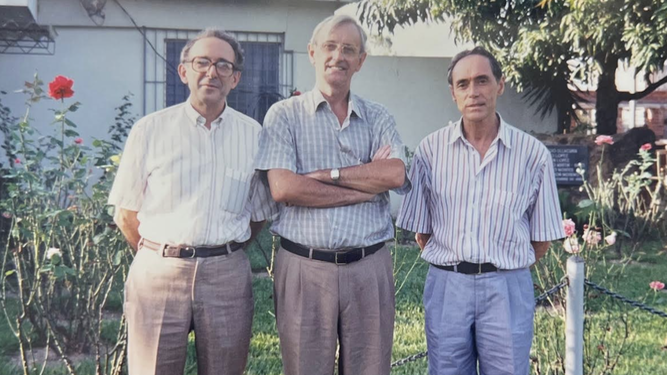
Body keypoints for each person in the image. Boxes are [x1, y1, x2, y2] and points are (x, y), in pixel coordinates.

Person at [108, 28, 271, 375]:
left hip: (226, 275)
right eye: (202, 62)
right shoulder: (149, 130)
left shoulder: (253, 136)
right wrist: (160, 252)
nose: (211, 72)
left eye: (223, 65)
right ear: (184, 71)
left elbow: (257, 214)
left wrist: (223, 249)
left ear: (235, 78)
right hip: (159, 272)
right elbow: (125, 213)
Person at [254, 14, 411, 375]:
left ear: (361, 60)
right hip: (304, 269)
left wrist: (326, 176)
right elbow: (284, 187)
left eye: (349, 49)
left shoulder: (378, 116)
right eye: (330, 46)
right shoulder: (284, 115)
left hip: (369, 268)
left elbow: (394, 173)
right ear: (312, 53)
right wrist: (363, 187)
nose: (338, 56)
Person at [396, 47, 565, 375]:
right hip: (448, 286)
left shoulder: (532, 155)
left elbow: (541, 239)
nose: (473, 92)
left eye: (482, 81)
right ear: (453, 93)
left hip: (506, 288)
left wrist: (501, 268)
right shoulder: (431, 151)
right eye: (463, 84)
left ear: (500, 85)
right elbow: (422, 232)